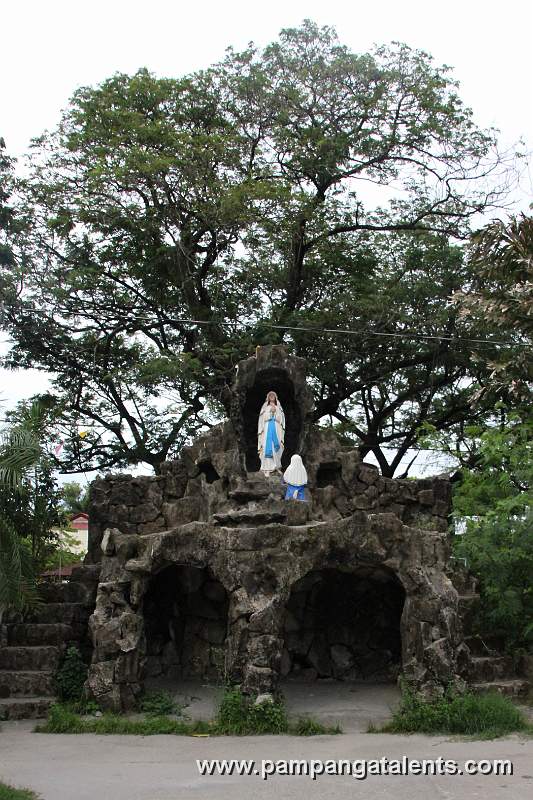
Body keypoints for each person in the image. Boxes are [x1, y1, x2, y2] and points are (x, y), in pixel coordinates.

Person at [257, 390, 285, 475]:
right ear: (268, 397)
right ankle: (266, 467)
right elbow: (262, 418)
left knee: (276, 445)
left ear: (275, 397)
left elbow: (282, 419)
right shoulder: (265, 406)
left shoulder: (278, 406)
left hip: (276, 428)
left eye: (273, 395)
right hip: (267, 427)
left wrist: (275, 412)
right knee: (266, 445)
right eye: (270, 396)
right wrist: (270, 413)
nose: (272, 397)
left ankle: (276, 466)